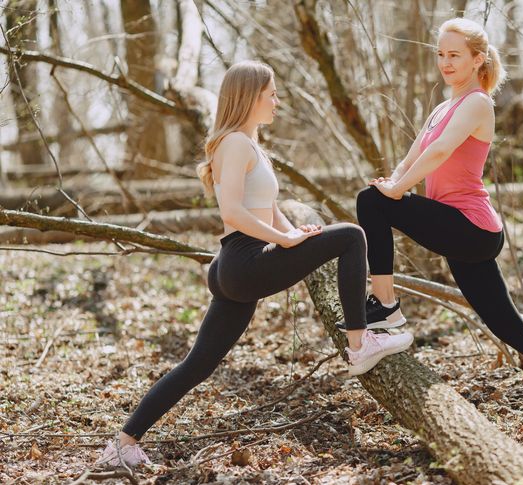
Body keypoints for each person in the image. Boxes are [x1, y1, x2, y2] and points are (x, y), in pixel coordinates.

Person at [96, 61, 413, 467]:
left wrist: (297, 230)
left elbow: (267, 206)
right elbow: (233, 211)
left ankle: (122, 444)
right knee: (353, 236)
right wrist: (285, 239)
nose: (278, 101)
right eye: (272, 94)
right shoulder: (234, 144)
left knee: (199, 364)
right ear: (250, 97)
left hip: (235, 265)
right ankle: (359, 344)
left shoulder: (250, 144)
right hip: (243, 259)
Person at [352, 18, 523, 419]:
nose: (445, 62)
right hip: (461, 229)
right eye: (441, 54)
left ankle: (386, 304)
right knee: (508, 327)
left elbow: (441, 151)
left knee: (370, 202)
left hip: (471, 226)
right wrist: (394, 180)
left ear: (478, 59)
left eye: (455, 55)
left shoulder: (478, 102)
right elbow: (415, 153)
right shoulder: (443, 106)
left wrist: (395, 190)